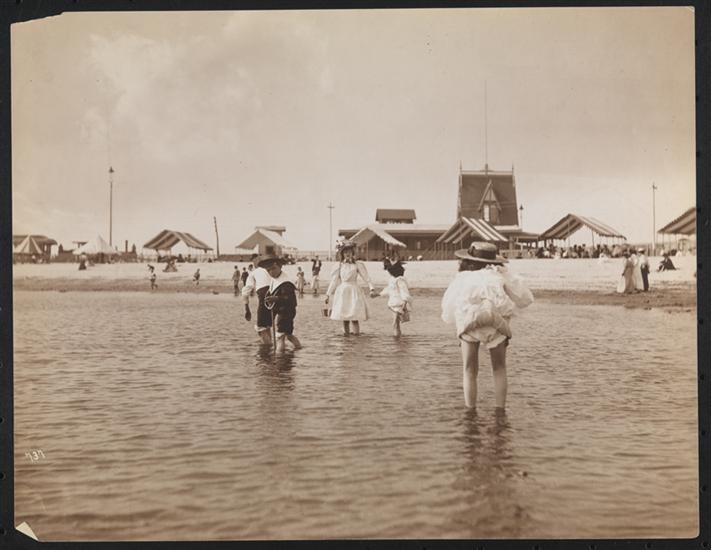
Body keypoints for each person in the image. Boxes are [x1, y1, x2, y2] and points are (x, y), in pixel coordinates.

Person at [441, 242, 533, 410]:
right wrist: (505, 273)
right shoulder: (499, 275)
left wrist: (456, 324)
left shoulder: (463, 277)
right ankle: (500, 411)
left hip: (469, 320)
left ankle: (470, 412)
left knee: (469, 370)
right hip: (496, 322)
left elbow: (448, 306)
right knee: (499, 368)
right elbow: (525, 299)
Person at [325, 240, 377, 336]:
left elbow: (366, 278)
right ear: (342, 254)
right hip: (343, 292)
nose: (347, 254)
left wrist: (372, 288)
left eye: (349, 251)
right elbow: (334, 281)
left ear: (352, 252)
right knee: (345, 318)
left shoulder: (357, 265)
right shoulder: (339, 266)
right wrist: (328, 294)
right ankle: (347, 338)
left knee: (355, 317)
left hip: (354, 291)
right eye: (345, 252)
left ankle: (356, 338)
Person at [261, 255, 302, 352]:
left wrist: (276, 298)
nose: (271, 272)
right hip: (282, 310)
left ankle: (279, 357)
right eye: (268, 270)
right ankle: (299, 348)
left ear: (280, 267)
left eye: (273, 269)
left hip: (286, 312)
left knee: (280, 336)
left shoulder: (286, 282)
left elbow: (289, 299)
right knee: (288, 335)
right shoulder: (275, 280)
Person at [242, 258, 273, 345]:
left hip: (264, 295)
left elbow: (246, 291)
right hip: (275, 294)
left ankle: (266, 347)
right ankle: (269, 346)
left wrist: (247, 308)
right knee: (267, 325)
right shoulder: (270, 269)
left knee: (261, 327)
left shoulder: (254, 272)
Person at [379, 260, 412, 337]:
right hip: (394, 303)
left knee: (395, 323)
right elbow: (389, 289)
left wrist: (405, 303)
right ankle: (398, 339)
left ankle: (397, 338)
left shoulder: (399, 280)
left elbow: (404, 291)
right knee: (396, 323)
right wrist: (379, 294)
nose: (389, 272)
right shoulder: (392, 279)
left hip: (400, 304)